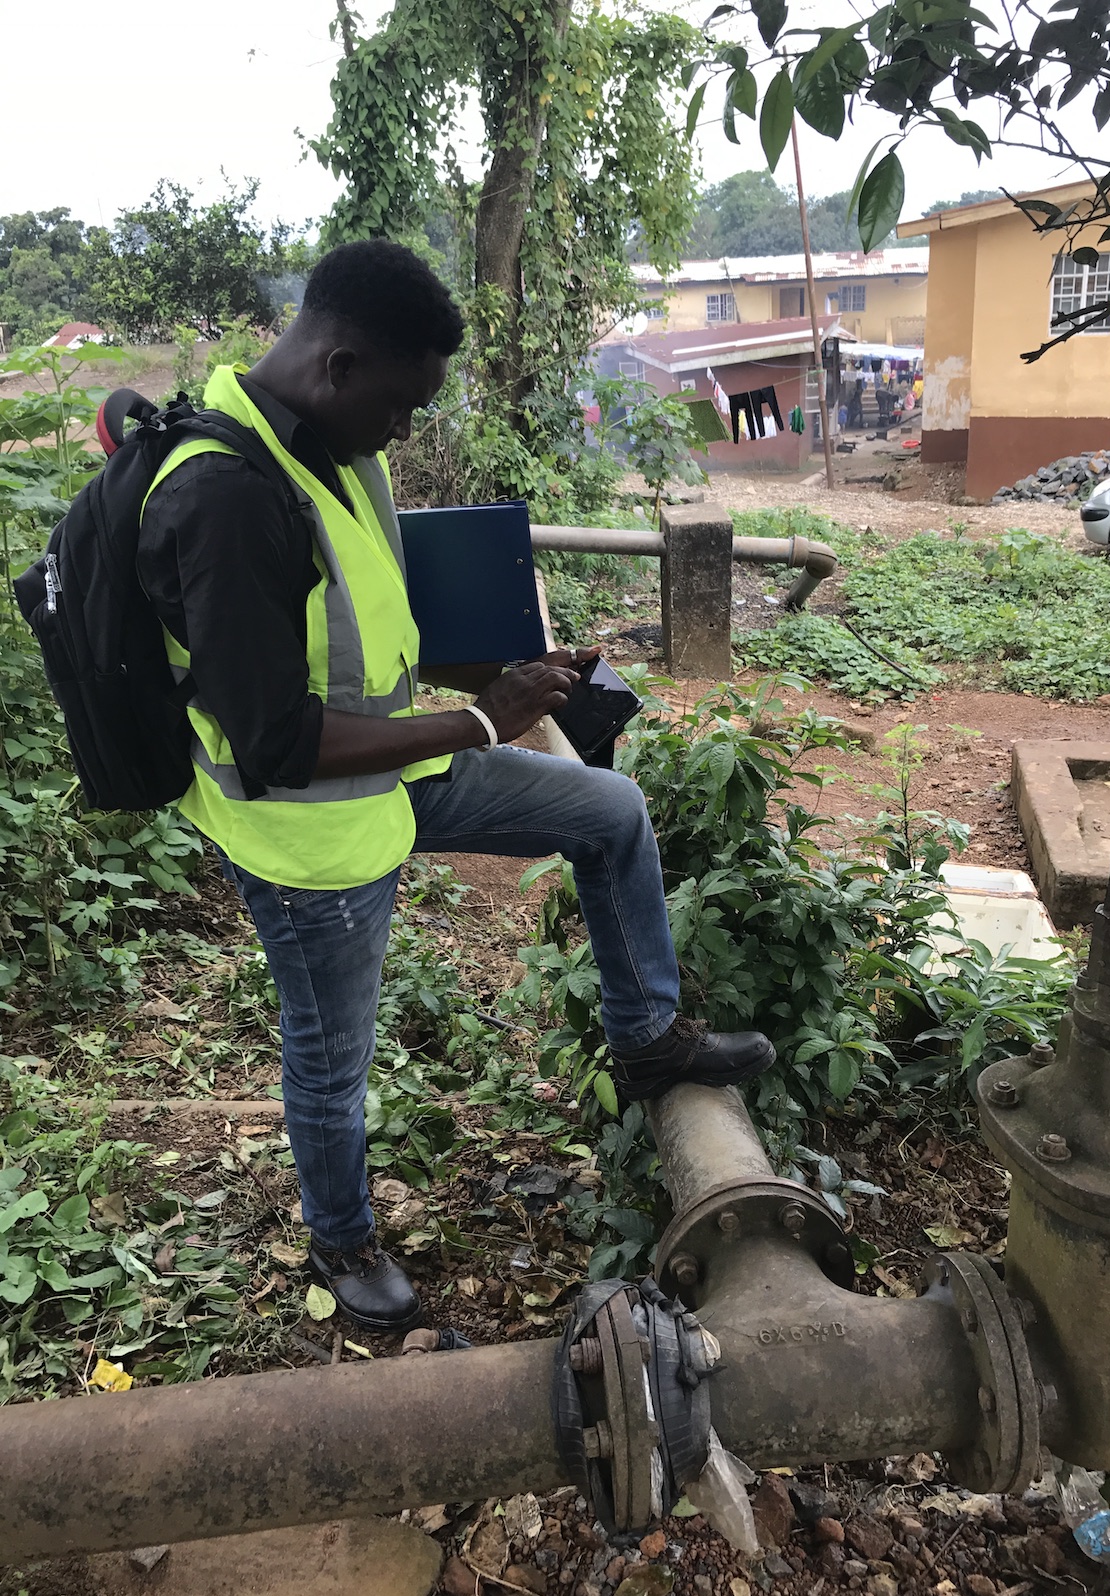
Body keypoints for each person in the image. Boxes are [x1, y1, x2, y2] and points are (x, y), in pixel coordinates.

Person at [137, 241, 775, 1334]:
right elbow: (274, 740)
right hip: (308, 837)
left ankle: (646, 1035)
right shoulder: (227, 498)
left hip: (396, 774)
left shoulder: (344, 455)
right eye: (402, 405)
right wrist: (485, 720)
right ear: (339, 365)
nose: (407, 431)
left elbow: (388, 638)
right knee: (333, 1064)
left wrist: (513, 680)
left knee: (610, 813)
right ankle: (341, 1242)